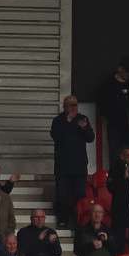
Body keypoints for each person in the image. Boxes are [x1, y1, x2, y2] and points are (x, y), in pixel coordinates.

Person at [50, 96, 94, 227]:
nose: (74, 107)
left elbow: (90, 138)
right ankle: (63, 220)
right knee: (62, 195)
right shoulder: (58, 120)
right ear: (65, 106)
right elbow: (56, 137)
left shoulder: (82, 119)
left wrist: (85, 128)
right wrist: (68, 121)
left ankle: (78, 221)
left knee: (79, 195)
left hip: (79, 166)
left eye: (75, 104)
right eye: (71, 105)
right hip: (63, 167)